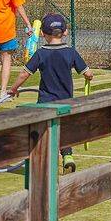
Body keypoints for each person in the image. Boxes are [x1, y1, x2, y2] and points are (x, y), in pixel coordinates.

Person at [9, 13, 94, 173]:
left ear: (42, 33)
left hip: (45, 102)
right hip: (66, 101)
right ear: (65, 32)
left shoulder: (41, 53)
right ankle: (67, 157)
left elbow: (24, 73)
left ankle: (42, 162)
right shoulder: (71, 52)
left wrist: (14, 88)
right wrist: (89, 76)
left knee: (41, 130)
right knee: (64, 129)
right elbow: (87, 72)